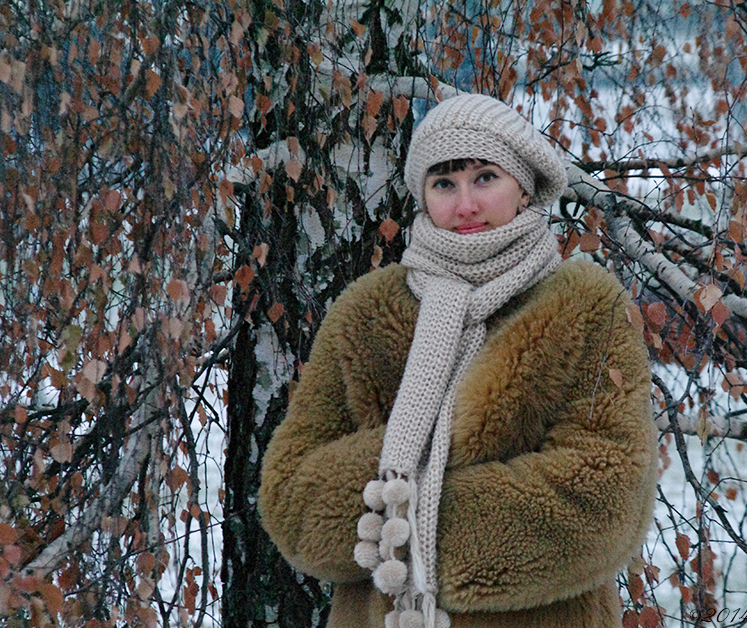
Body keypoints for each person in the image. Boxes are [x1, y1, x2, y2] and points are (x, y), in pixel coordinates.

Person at [258, 94, 658, 628]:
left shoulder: (585, 307)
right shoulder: (368, 312)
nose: (465, 204)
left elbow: (604, 502)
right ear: (423, 196)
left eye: (485, 177)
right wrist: (432, 451)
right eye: (444, 183)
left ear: (524, 187)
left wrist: (403, 508)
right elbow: (292, 502)